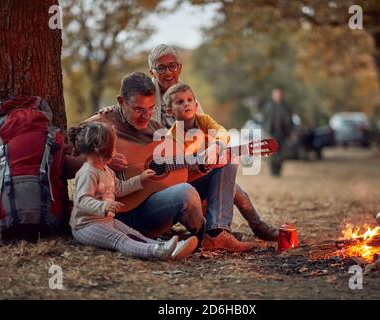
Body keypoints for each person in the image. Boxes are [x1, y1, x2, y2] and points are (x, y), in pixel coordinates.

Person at [65, 72, 254, 252]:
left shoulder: (154, 128)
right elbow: (65, 162)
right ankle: (200, 234)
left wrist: (199, 165)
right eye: (139, 110)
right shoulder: (100, 123)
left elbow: (175, 171)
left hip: (157, 203)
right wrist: (103, 160)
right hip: (121, 214)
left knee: (226, 162)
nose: (147, 117)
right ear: (121, 102)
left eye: (151, 109)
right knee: (186, 192)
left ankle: (216, 233)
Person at [147, 44, 278, 241]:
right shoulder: (146, 96)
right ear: (152, 72)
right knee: (228, 184)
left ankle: (227, 230)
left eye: (172, 66)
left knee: (226, 171)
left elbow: (210, 132)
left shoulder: (187, 97)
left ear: (179, 68)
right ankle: (248, 227)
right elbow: (126, 110)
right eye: (161, 68)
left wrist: (214, 148)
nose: (168, 72)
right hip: (159, 182)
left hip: (186, 170)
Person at [67, 121, 198, 260]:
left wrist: (140, 179)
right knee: (120, 239)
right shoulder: (88, 173)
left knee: (133, 233)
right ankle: (155, 251)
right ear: (102, 151)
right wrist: (103, 206)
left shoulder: (106, 170)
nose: (116, 152)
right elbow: (82, 200)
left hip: (105, 220)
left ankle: (168, 247)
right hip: (86, 226)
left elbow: (119, 188)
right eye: (114, 148)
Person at [263, 88, 294, 176]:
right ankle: (273, 171)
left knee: (282, 153)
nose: (278, 97)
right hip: (271, 133)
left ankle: (278, 170)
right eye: (276, 95)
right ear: (273, 96)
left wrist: (290, 131)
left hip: (283, 133)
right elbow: (264, 120)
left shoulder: (286, 107)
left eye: (279, 95)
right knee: (273, 153)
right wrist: (266, 130)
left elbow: (290, 120)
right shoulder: (269, 106)